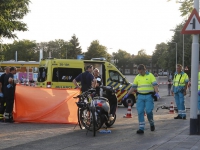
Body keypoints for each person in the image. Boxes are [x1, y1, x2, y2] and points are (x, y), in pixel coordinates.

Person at [123, 64, 159, 134]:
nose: (140, 73)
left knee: (149, 111)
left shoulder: (150, 75)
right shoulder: (137, 77)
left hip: (149, 96)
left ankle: (151, 123)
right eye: (139, 72)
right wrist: (128, 94)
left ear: (144, 70)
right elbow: (133, 87)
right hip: (140, 97)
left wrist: (156, 92)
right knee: (140, 112)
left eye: (141, 71)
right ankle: (141, 128)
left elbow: (155, 85)